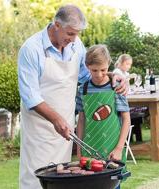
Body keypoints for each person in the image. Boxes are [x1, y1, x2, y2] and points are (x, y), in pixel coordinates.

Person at [18, 5, 126, 189]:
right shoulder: (31, 49)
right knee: (35, 180)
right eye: (70, 34)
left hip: (65, 130)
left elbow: (88, 76)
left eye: (76, 34)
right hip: (39, 131)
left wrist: (114, 77)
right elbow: (30, 95)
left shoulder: (76, 46)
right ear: (56, 25)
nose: (73, 39)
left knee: (65, 179)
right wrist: (56, 119)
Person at [76, 45, 130, 189]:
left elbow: (126, 119)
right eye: (94, 70)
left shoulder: (116, 86)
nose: (99, 74)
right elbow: (81, 119)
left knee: (112, 184)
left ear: (109, 66)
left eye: (103, 70)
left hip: (112, 147)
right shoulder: (83, 89)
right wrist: (79, 148)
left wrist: (119, 148)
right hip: (89, 147)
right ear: (87, 66)